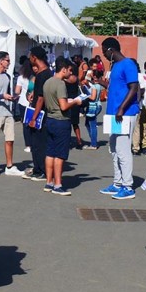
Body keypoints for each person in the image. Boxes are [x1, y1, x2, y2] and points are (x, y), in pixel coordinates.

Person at [98, 37, 140, 200]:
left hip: (125, 115)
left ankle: (128, 186)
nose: (103, 54)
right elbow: (117, 87)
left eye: (103, 51)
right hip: (114, 115)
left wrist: (122, 108)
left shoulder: (128, 64)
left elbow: (133, 87)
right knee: (114, 150)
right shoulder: (115, 66)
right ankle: (117, 182)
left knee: (123, 150)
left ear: (110, 50)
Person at [42, 57, 83, 196]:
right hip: (61, 121)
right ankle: (58, 184)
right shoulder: (60, 84)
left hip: (50, 119)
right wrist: (75, 101)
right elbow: (64, 106)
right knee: (60, 154)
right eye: (70, 70)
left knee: (50, 152)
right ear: (64, 69)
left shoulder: (47, 82)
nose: (70, 73)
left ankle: (49, 182)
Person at [24, 46, 51, 182]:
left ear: (34, 57)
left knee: (38, 143)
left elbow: (41, 97)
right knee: (38, 143)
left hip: (40, 114)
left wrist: (34, 117)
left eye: (30, 56)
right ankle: (39, 169)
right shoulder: (48, 73)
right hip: (43, 112)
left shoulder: (42, 75)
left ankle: (40, 170)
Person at [15, 60, 34, 153]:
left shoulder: (21, 78)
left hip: (23, 102)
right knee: (34, 123)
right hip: (33, 103)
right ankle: (35, 143)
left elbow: (17, 91)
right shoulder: (35, 77)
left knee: (25, 124)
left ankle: (28, 144)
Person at [133, 61, 146, 155]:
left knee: (139, 127)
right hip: (131, 105)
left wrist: (135, 98)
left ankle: (137, 147)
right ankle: (136, 146)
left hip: (137, 105)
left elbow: (142, 90)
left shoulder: (141, 76)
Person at [65, 66, 84, 149]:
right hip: (75, 101)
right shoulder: (76, 79)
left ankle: (67, 141)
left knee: (67, 123)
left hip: (67, 102)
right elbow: (81, 87)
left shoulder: (64, 80)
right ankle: (79, 140)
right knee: (75, 124)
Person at [82, 71, 102, 149]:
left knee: (92, 125)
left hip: (93, 106)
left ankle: (93, 144)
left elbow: (93, 98)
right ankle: (93, 141)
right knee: (88, 123)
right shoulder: (98, 85)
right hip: (97, 105)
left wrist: (86, 95)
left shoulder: (94, 86)